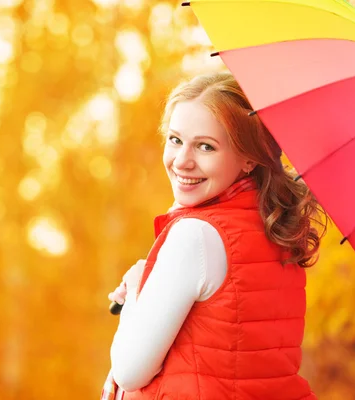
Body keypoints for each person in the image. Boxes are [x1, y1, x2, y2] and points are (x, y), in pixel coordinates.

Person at [102, 71, 328, 400]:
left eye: (205, 147)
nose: (182, 161)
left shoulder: (196, 236)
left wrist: (138, 287)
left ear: (250, 158)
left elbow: (129, 369)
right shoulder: (276, 227)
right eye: (175, 140)